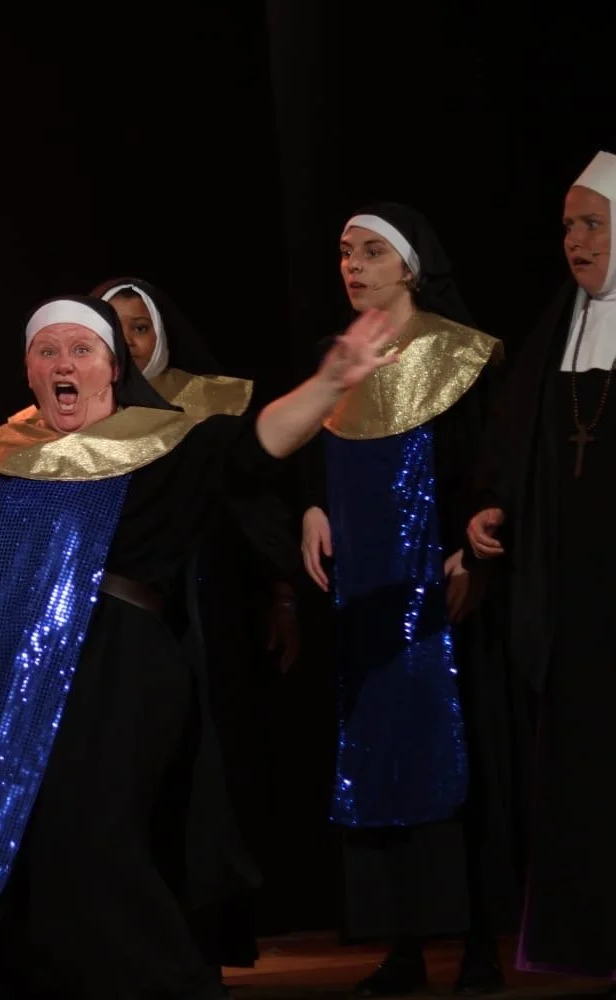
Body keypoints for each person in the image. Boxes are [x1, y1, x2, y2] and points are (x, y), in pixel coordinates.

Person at [0, 292, 396, 999]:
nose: (64, 364)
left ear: (113, 369)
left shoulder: (158, 448)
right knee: (0, 866)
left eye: (81, 351)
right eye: (47, 351)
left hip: (113, 682)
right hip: (0, 693)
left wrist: (331, 384)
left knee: (89, 854)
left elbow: (252, 446)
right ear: (29, 372)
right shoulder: (0, 459)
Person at [300, 204, 506, 996]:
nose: (353, 265)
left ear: (411, 267)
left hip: (444, 592)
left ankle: (482, 940)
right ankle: (403, 943)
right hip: (367, 602)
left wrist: (473, 551)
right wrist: (312, 505)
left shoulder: (464, 355)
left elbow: (489, 464)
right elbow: (308, 448)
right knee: (378, 760)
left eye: (372, 252)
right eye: (345, 252)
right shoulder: (340, 358)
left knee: (464, 759)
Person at [94, 277, 301, 986]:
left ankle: (202, 940)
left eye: (139, 327)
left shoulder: (208, 408)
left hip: (209, 619)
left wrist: (281, 591)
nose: (128, 342)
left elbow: (256, 501)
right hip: (123, 631)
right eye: (111, 329)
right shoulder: (74, 420)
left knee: (205, 777)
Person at [469, 150, 616, 988]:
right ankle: (587, 937)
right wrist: (491, 506)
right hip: (569, 599)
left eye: (592, 222)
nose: (574, 239)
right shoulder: (555, 332)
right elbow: (513, 445)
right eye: (567, 225)